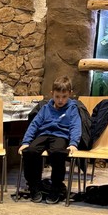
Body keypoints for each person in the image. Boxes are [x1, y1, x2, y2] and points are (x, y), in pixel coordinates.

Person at [19, 76, 81, 204]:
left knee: (58, 152)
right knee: (30, 151)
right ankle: (34, 185)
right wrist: (26, 142)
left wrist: (73, 143)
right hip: (44, 134)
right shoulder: (45, 108)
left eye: (64, 97)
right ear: (52, 94)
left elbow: (76, 126)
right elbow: (34, 125)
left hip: (61, 136)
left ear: (70, 94)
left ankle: (56, 187)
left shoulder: (72, 108)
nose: (60, 100)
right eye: (57, 96)